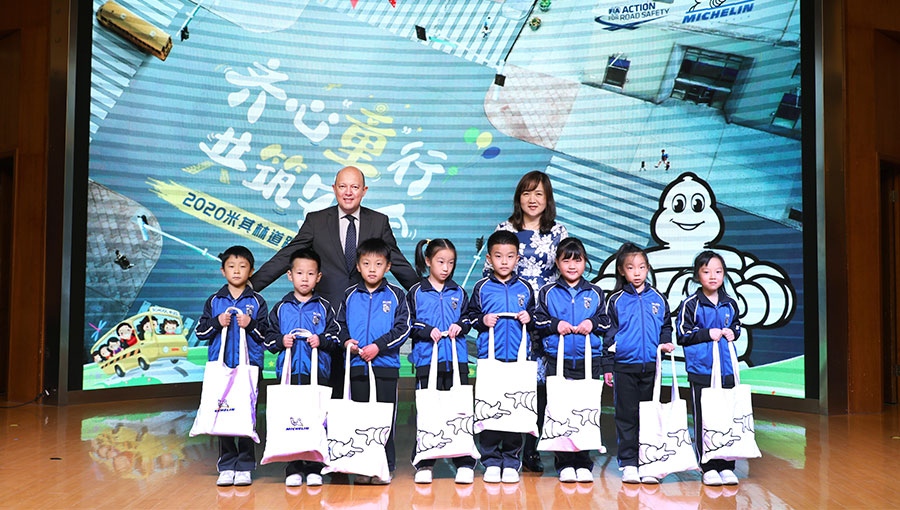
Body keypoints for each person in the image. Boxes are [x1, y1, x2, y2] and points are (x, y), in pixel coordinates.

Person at [251, 166, 418, 397]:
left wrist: (423, 291)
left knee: (362, 395)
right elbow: (287, 256)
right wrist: (252, 286)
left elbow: (396, 262)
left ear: (364, 190)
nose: (348, 192)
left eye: (355, 187)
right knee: (329, 392)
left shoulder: (379, 222)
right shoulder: (316, 220)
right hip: (326, 322)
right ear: (334, 189)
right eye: (343, 186)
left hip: (361, 324)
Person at [484, 170, 568, 473]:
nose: (532, 199)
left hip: (545, 316)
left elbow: (566, 274)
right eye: (527, 193)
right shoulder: (505, 228)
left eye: (539, 194)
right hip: (512, 316)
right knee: (509, 381)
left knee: (541, 384)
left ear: (548, 199)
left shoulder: (558, 232)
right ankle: (505, 449)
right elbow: (489, 275)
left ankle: (532, 450)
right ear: (518, 197)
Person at [533, 238, 609, 483]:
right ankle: (564, 462)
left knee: (585, 410)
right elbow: (538, 320)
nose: (572, 265)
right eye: (566, 260)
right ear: (557, 263)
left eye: (578, 260)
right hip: (558, 360)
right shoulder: (548, 292)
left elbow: (606, 322)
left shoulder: (595, 292)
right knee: (560, 410)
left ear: (585, 262)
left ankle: (583, 462)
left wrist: (592, 323)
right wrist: (556, 325)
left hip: (589, 361)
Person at [336, 238, 411, 484]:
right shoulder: (349, 295)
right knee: (360, 418)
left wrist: (378, 346)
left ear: (387, 267)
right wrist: (347, 342)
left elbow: (403, 328)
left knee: (384, 419)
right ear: (358, 266)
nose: (372, 269)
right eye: (366, 263)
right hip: (357, 366)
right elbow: (339, 326)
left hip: (386, 368)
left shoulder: (397, 295)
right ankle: (363, 466)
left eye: (378, 264)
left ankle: (385, 466)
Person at [264, 248, 340, 488]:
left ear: (318, 277)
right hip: (289, 374)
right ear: (290, 275)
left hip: (317, 374)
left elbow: (336, 337)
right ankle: (293, 466)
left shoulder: (324, 307)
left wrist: (321, 340)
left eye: (310, 273)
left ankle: (315, 466)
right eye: (299, 273)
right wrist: (280, 341)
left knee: (316, 419)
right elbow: (268, 339)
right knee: (292, 420)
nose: (304, 278)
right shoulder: (280, 307)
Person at [195, 245, 269, 487]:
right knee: (223, 413)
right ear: (222, 271)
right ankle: (227, 465)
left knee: (246, 415)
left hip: (249, 368)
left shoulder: (257, 301)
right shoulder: (214, 300)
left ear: (251, 271)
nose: (237, 271)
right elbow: (200, 332)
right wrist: (217, 321)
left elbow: (266, 335)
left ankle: (245, 465)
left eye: (242, 266)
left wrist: (251, 323)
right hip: (222, 367)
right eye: (231, 266)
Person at [602, 242, 674, 485]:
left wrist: (665, 342)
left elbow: (666, 326)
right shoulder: (615, 300)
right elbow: (608, 336)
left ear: (648, 269)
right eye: (631, 267)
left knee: (650, 417)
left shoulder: (658, 298)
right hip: (624, 368)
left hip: (651, 368)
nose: (637, 272)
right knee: (627, 417)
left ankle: (648, 462)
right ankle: (629, 463)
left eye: (642, 267)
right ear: (621, 271)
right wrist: (608, 366)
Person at [467, 230, 535, 484]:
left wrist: (529, 318)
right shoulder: (481, 287)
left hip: (518, 359)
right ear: (489, 258)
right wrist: (482, 320)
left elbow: (536, 318)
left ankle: (512, 461)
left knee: (515, 410)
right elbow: (471, 317)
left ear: (518, 258)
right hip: (490, 358)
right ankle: (491, 461)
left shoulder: (525, 288)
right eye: (498, 256)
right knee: (490, 409)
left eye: (509, 256)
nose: (504, 261)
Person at [406, 239, 476, 485]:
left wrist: (461, 325)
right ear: (428, 261)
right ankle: (425, 463)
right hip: (427, 361)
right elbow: (408, 324)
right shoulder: (416, 292)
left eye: (451, 263)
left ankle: (464, 461)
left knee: (460, 411)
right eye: (440, 262)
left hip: (456, 361)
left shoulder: (459, 292)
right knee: (429, 412)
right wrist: (427, 330)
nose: (446, 268)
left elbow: (468, 318)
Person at [675, 250, 743, 487]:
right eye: (706, 272)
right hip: (701, 370)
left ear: (724, 274)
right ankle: (708, 466)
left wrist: (733, 332)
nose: (713, 276)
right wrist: (707, 333)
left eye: (718, 271)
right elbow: (682, 335)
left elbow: (737, 326)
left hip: (726, 370)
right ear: (697, 275)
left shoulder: (730, 303)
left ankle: (727, 466)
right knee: (704, 418)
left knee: (727, 418)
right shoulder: (690, 304)